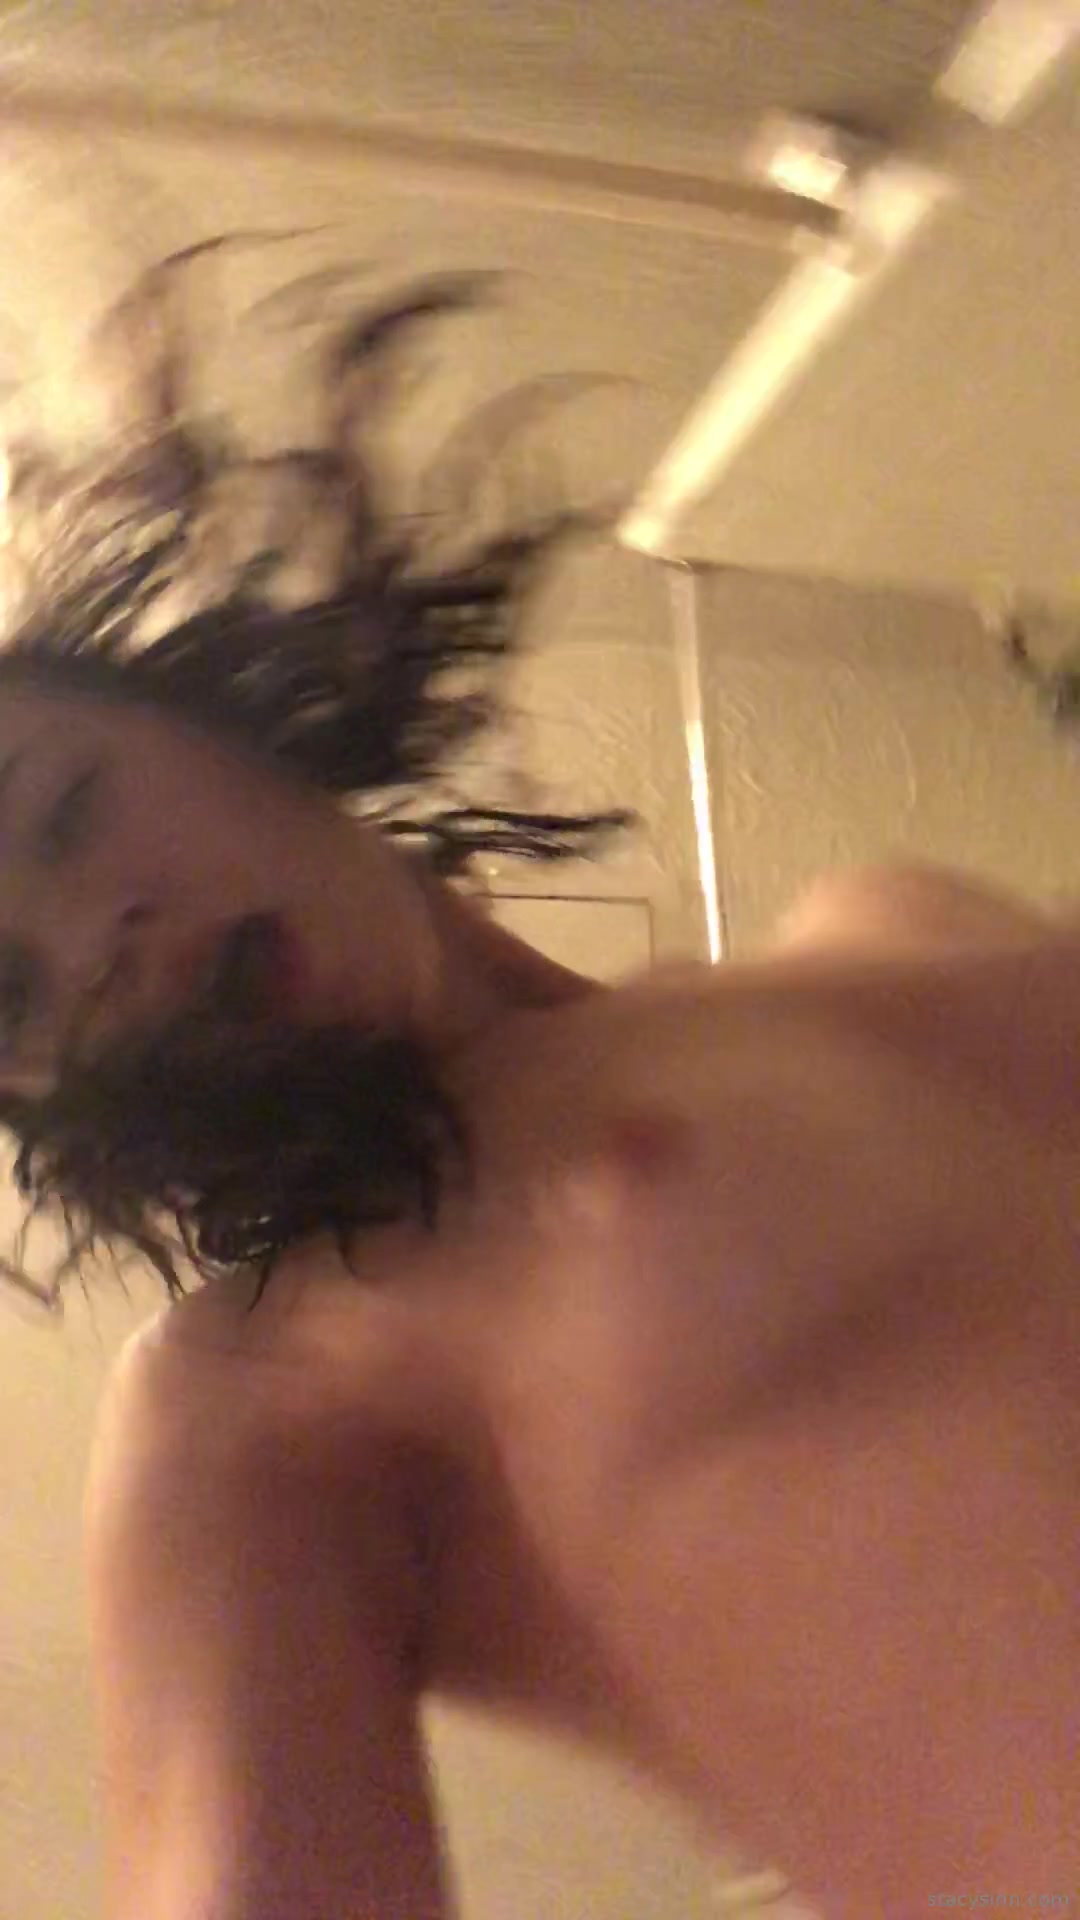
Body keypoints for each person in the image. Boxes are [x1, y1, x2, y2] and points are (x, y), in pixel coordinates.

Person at [1, 254, 1076, 1920]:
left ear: (221, 722)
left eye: (68, 812)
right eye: (6, 988)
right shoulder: (262, 1383)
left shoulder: (896, 919)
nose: (103, 939)